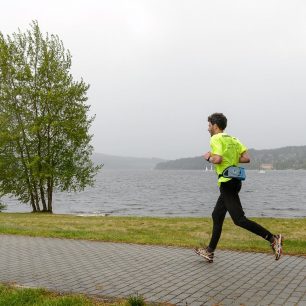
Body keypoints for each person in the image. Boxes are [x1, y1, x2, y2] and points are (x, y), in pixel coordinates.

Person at [194, 112, 283, 263]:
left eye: (209, 125)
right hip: (235, 181)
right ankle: (210, 251)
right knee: (217, 215)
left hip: (227, 183)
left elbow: (218, 159)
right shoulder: (233, 139)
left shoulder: (215, 139)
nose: (208, 128)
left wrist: (208, 157)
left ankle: (273, 239)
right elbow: (246, 158)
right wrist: (232, 158)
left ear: (215, 126)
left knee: (239, 219)